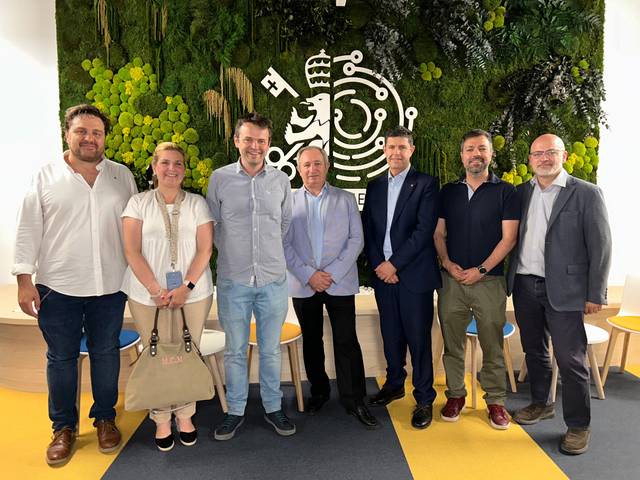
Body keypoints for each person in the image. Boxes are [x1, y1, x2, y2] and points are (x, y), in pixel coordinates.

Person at [12, 104, 137, 466]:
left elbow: (133, 229)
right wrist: (24, 280)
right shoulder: (45, 176)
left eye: (96, 132)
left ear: (104, 138)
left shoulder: (121, 176)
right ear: (68, 133)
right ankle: (63, 428)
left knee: (105, 354)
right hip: (58, 287)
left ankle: (104, 418)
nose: (89, 138)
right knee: (62, 359)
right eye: (82, 131)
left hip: (110, 286)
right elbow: (27, 230)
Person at [507, 133, 611, 455]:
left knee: (570, 358)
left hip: (566, 291)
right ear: (530, 160)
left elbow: (601, 245)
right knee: (534, 350)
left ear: (563, 156)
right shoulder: (521, 193)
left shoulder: (586, 194)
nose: (544, 159)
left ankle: (578, 426)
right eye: (537, 154)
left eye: (551, 152)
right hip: (525, 285)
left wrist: (596, 292)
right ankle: (541, 403)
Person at [207, 112, 294, 439]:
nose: (254, 146)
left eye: (261, 140)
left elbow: (284, 224)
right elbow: (213, 225)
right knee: (235, 350)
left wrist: (265, 252)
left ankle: (273, 407)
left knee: (270, 349)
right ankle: (236, 410)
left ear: (268, 143)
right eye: (248, 139)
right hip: (234, 281)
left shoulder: (281, 181)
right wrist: (235, 251)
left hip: (273, 280)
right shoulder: (219, 179)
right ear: (236, 141)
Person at [121, 142, 214, 451]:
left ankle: (186, 415)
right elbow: (131, 251)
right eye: (165, 163)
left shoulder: (198, 204)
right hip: (147, 296)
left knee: (189, 351)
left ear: (184, 170)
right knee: (156, 354)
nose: (171, 168)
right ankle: (161, 418)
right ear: (154, 166)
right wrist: (156, 290)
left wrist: (185, 287)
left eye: (177, 163)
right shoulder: (137, 203)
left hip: (194, 293)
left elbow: (205, 249)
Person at [283, 146, 379, 429]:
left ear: (326, 167)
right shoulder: (287, 201)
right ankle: (320, 392)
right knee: (312, 342)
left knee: (346, 341)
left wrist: (331, 274)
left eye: (317, 164)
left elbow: (356, 239)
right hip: (304, 283)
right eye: (306, 165)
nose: (312, 169)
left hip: (339, 282)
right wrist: (310, 275)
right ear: (299, 169)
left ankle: (354, 399)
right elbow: (283, 243)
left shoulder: (345, 199)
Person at [434, 129, 519, 430]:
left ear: (490, 154)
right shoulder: (448, 192)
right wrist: (446, 262)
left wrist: (481, 270)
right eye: (470, 149)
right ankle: (456, 395)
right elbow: (438, 233)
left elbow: (508, 239)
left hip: (490, 282)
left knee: (492, 345)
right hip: (451, 282)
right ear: (462, 156)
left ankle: (495, 401)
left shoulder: (506, 192)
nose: (476, 155)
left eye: (482, 149)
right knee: (452, 344)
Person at [362, 126, 441, 429]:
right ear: (384, 150)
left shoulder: (426, 184)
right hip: (383, 276)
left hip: (413, 277)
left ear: (411, 150)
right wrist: (381, 265)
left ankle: (423, 398)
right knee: (391, 334)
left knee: (418, 339)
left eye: (402, 147)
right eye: (391, 147)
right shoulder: (375, 186)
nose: (396, 152)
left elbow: (423, 232)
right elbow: (368, 229)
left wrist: (394, 264)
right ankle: (394, 383)